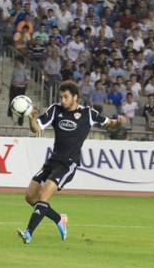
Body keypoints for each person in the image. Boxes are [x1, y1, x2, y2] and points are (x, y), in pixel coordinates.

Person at [16, 81, 126, 244]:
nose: (62, 100)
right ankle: (59, 219)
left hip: (68, 164)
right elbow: (36, 128)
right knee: (30, 197)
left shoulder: (88, 113)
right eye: (61, 97)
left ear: (75, 97)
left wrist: (118, 121)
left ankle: (28, 233)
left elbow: (109, 123)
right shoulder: (55, 110)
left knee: (43, 196)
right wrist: (31, 118)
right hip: (52, 161)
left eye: (66, 97)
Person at [7, 56, 30, 125]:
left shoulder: (25, 70)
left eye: (16, 61)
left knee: (20, 105)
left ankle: (20, 121)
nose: (15, 62)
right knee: (11, 103)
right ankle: (9, 118)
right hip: (13, 88)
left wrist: (19, 82)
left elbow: (27, 81)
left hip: (21, 89)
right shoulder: (15, 69)